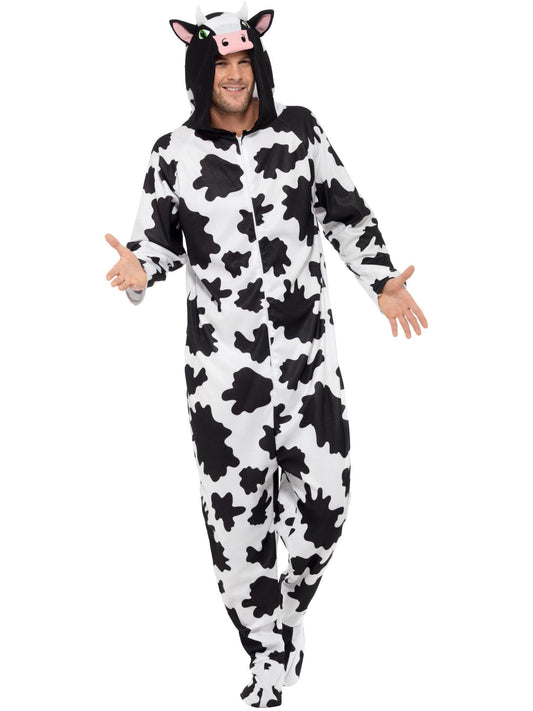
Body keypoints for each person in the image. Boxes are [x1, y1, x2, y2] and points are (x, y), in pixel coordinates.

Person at [105, 3, 428, 707]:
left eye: (242, 61)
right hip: (224, 379)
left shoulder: (299, 132)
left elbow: (345, 214)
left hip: (310, 367)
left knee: (327, 508)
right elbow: (155, 242)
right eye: (220, 64)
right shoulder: (172, 153)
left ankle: (287, 611)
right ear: (200, 70)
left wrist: (382, 282)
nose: (233, 75)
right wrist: (139, 271)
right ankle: (265, 657)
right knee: (236, 528)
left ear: (259, 64)